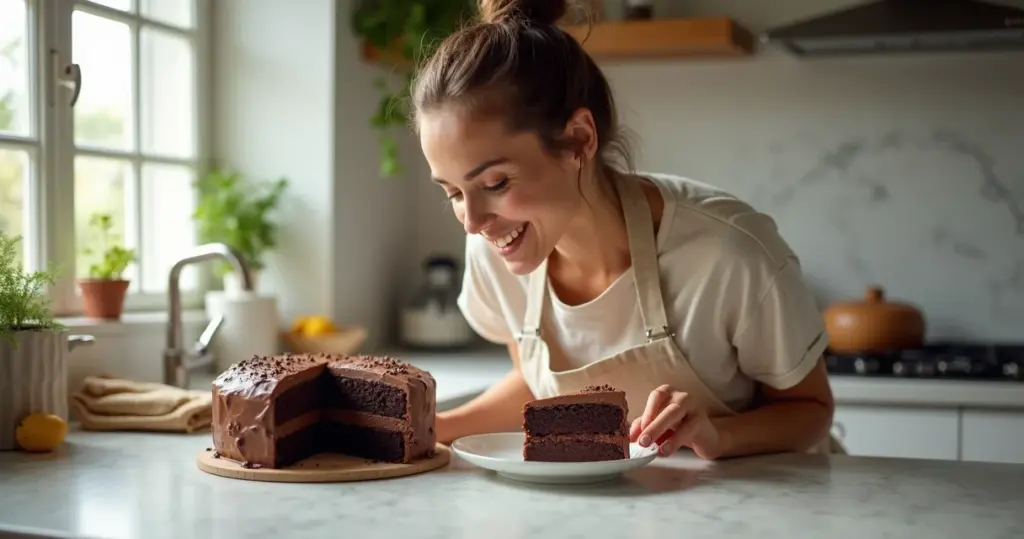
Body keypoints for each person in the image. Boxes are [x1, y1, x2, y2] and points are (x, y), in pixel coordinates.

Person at [410, 0, 839, 460]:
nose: (473, 221)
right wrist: (434, 429)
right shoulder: (497, 250)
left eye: (495, 183)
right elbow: (539, 389)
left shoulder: (727, 254)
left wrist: (719, 436)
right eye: (453, 193)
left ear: (579, 140)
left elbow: (811, 409)